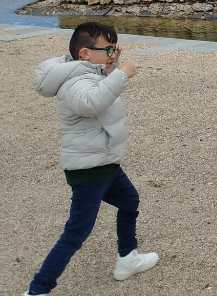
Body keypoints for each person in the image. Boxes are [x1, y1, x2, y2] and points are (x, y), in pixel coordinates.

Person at [24, 22, 158, 295]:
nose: (113, 54)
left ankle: (127, 258)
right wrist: (120, 75)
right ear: (84, 53)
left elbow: (100, 91)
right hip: (89, 169)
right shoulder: (74, 81)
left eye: (116, 48)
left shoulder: (90, 71)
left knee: (129, 200)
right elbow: (91, 103)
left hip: (104, 164)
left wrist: (110, 69)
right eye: (109, 49)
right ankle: (37, 290)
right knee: (76, 232)